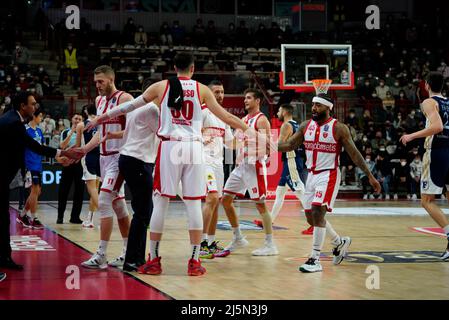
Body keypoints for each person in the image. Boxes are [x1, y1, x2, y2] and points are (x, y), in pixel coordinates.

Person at [86, 53, 254, 276]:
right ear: (193, 68)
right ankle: (194, 262)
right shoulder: (203, 89)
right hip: (194, 148)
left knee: (161, 202)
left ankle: (154, 260)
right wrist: (253, 132)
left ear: (174, 67)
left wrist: (100, 118)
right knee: (194, 204)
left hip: (170, 147)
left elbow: (129, 107)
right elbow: (228, 118)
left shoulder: (160, 86)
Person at [277, 93, 381, 273]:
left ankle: (314, 259)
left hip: (329, 175)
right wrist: (267, 144)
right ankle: (339, 243)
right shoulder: (305, 126)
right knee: (312, 218)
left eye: (318, 105)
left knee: (318, 212)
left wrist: (370, 175)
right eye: (313, 105)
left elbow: (354, 154)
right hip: (311, 175)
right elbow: (290, 146)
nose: (314, 108)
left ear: (327, 108)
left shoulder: (339, 128)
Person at [0, 91, 82, 271]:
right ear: (23, 106)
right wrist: (62, 153)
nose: (35, 107)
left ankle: (4, 258)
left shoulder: (12, 118)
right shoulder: (13, 122)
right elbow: (33, 146)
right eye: (33, 103)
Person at [101, 79, 160, 272]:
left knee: (142, 211)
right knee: (143, 212)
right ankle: (133, 259)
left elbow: (128, 132)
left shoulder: (136, 109)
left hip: (129, 159)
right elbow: (163, 134)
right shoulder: (152, 110)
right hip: (138, 161)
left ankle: (134, 257)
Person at [80, 65, 133, 269]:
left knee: (103, 200)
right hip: (103, 157)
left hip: (119, 157)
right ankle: (128, 252)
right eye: (95, 82)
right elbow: (100, 133)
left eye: (100, 81)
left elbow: (133, 131)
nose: (97, 85)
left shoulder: (125, 99)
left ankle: (101, 253)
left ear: (111, 79)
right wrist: (84, 149)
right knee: (118, 204)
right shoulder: (99, 101)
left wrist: (113, 136)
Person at [221, 88, 278, 256]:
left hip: (255, 166)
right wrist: (221, 138)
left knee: (261, 206)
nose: (245, 100)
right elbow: (234, 144)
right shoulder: (243, 120)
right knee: (225, 200)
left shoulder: (262, 121)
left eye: (249, 98)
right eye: (244, 98)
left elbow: (270, 147)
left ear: (257, 101)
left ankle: (270, 244)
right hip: (240, 167)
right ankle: (238, 237)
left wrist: (252, 146)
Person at [400, 71, 449, 260]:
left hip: (436, 152)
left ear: (427, 85)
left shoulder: (429, 102)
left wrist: (411, 135)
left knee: (426, 201)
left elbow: (437, 127)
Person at [252, 104, 309, 233]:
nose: (277, 113)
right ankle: (270, 220)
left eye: (279, 110)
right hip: (292, 160)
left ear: (284, 111)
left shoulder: (286, 125)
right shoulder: (296, 125)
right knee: (280, 193)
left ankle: (315, 223)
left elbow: (280, 144)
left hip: (291, 161)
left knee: (300, 192)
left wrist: (265, 148)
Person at [199, 80, 234, 259]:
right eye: (216, 92)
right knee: (211, 198)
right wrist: (199, 137)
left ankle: (210, 243)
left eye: (221, 92)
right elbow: (190, 132)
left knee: (216, 202)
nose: (219, 95)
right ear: (208, 94)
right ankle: (201, 244)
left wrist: (254, 143)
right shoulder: (202, 111)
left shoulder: (224, 117)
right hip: (204, 162)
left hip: (218, 164)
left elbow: (231, 143)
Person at [16, 107, 45, 229]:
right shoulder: (25, 130)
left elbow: (42, 147)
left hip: (38, 164)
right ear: (34, 116)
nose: (41, 119)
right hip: (29, 165)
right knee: (34, 190)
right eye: (40, 116)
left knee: (37, 192)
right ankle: (34, 218)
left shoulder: (39, 131)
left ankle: (22, 215)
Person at [57, 113, 85, 224]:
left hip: (79, 164)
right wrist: (72, 132)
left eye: (80, 119)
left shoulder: (84, 133)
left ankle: (75, 217)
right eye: (75, 118)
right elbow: (62, 146)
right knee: (63, 191)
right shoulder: (65, 132)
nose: (77, 120)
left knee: (79, 191)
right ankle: (60, 216)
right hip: (67, 164)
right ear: (71, 119)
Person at [76, 104, 100, 228]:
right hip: (101, 156)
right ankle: (90, 219)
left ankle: (105, 213)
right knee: (96, 190)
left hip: (88, 156)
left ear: (86, 111)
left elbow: (77, 145)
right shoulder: (101, 122)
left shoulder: (81, 125)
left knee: (92, 189)